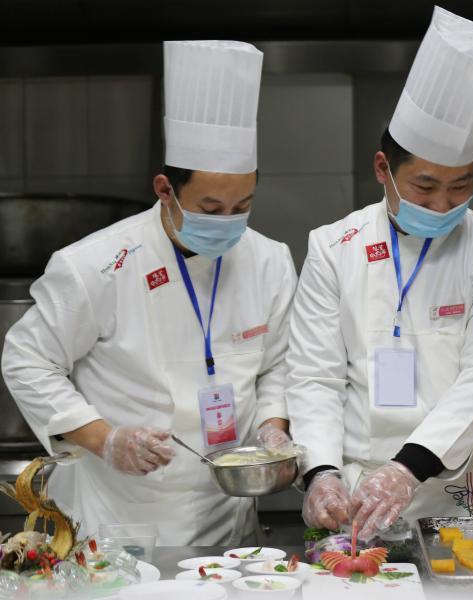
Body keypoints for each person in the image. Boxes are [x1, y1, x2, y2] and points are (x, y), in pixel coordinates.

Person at [1, 40, 298, 546]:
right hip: (119, 516)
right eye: (210, 207)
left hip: (228, 515)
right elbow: (27, 361)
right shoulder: (95, 264)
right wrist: (106, 439)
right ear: (165, 189)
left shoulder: (269, 260)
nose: (228, 223)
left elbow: (277, 364)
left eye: (242, 205)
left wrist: (274, 429)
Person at [287, 6, 473, 541]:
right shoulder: (333, 248)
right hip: (357, 489)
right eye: (424, 187)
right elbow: (314, 374)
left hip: (465, 490)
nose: (443, 204)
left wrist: (407, 469)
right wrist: (322, 471)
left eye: (461, 186)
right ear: (383, 170)